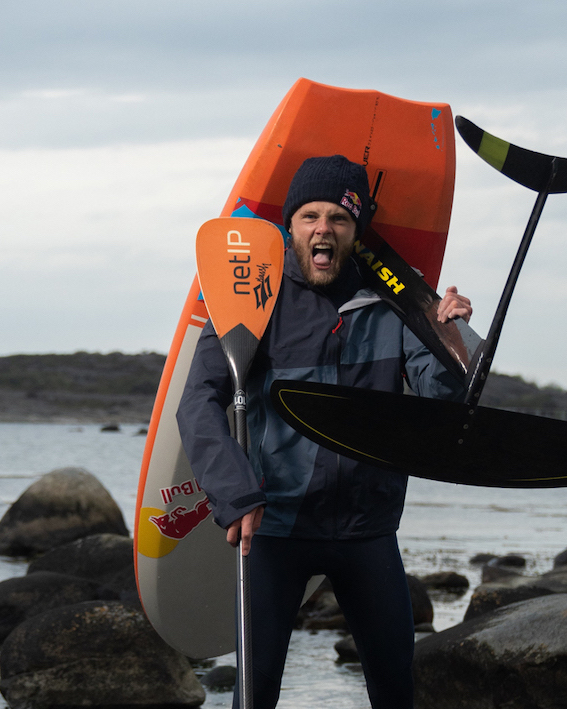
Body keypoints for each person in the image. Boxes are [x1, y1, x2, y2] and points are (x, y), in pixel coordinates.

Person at [176, 154, 471, 709]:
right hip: (276, 526)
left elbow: (438, 400)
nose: (322, 229)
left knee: (395, 691)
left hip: (368, 529)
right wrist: (235, 495)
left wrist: (451, 338)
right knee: (255, 693)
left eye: (338, 218)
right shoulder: (252, 300)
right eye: (309, 216)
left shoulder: (395, 304)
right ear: (290, 227)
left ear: (356, 231)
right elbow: (197, 404)